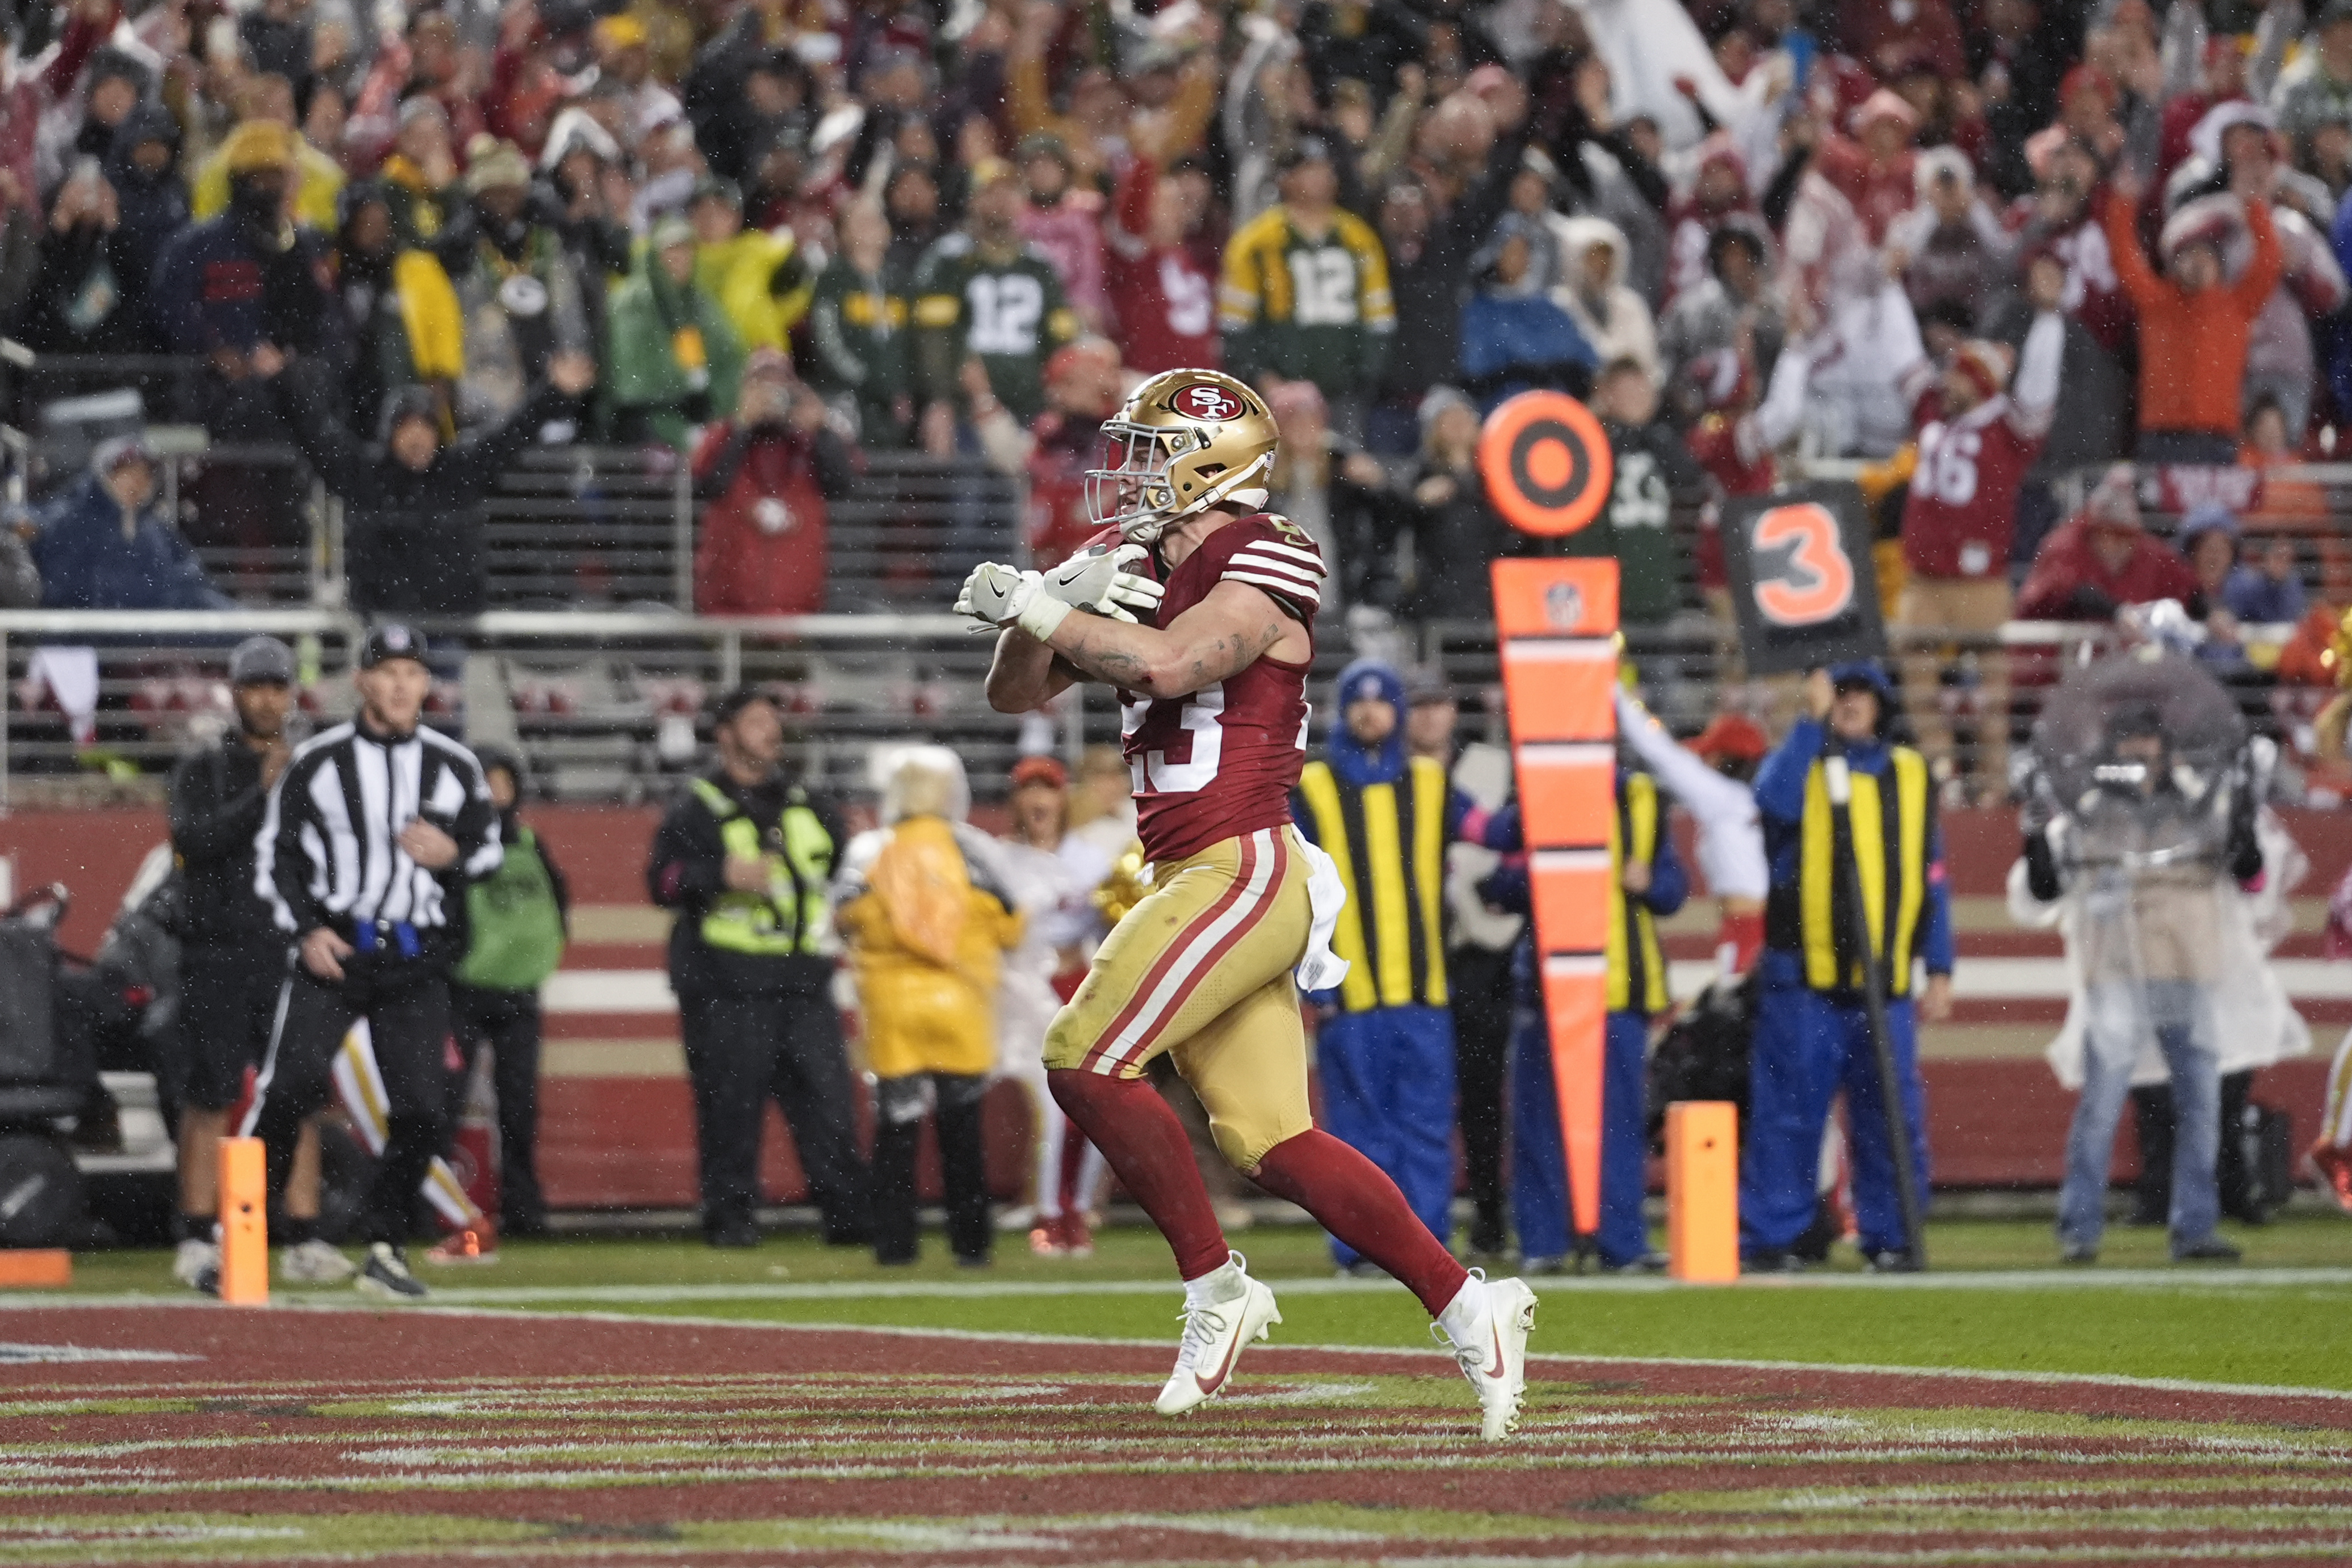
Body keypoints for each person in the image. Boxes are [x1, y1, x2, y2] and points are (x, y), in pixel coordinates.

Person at [965, 367, 1536, 1442]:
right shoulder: (1129, 562)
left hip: (1238, 864)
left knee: (1083, 1055)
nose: (1126, 476)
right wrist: (1043, 606)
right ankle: (1470, 1304)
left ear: (1211, 460)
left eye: (1148, 452)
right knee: (1274, 1140)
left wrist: (1050, 604)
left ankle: (1215, 1289)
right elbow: (1013, 689)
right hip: (1190, 870)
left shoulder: (1263, 548)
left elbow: (1180, 663)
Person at [245, 624, 502, 1302]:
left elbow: (488, 848)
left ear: (426, 683)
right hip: (336, 950)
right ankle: (235, 1243)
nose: (399, 686)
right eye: (386, 672)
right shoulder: (319, 761)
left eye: (412, 673)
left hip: (412, 956)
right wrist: (304, 931)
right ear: (360, 681)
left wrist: (452, 856)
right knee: (290, 1089)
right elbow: (277, 855)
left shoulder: (453, 765)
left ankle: (386, 1243)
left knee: (422, 1109)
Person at [2019, 703, 2261, 1264]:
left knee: (2201, 1105)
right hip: (2119, 969)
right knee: (2101, 1105)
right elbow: (2046, 884)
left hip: (2185, 963)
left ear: (2165, 747)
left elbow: (2247, 869)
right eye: (2124, 740)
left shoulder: (2201, 804)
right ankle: (2079, 1229)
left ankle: (2195, 1227)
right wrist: (2032, 830)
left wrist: (2245, 806)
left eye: (2144, 739)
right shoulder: (2093, 809)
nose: (2134, 750)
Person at [1742, 664, 1954, 1272]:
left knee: (1891, 1117)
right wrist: (1810, 724)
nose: (1850, 701)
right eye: (1838, 691)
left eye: (1860, 691)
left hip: (1883, 985)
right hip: (1803, 978)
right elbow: (1771, 801)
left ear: (1882, 702)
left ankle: (1892, 1235)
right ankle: (1772, 1239)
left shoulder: (1911, 774)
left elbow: (1933, 875)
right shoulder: (1799, 764)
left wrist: (1938, 964)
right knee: (1787, 1115)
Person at [646, 686, 871, 1249]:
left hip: (804, 984)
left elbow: (845, 879)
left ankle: (847, 1217)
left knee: (829, 1108)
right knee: (730, 1112)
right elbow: (661, 882)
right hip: (727, 986)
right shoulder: (695, 807)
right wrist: (718, 875)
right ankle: (730, 1220)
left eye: (774, 720)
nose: (770, 731)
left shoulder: (810, 802)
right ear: (724, 734)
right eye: (755, 721)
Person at [166, 637, 352, 1292]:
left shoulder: (309, 770)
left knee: (298, 1097)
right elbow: (194, 841)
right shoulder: (203, 771)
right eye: (256, 687)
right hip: (216, 953)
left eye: (278, 688)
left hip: (285, 952)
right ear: (236, 693)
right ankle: (194, 1234)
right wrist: (262, 795)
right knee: (210, 1097)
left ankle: (301, 1236)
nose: (268, 699)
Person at [1292, 660, 1467, 1270]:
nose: (1370, 712)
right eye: (1358, 702)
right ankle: (1359, 1246)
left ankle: (1427, 1244)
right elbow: (1293, 889)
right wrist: (1313, 983)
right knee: (1356, 1131)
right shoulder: (1311, 787)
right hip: (1350, 993)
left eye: (1381, 701)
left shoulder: (1431, 781)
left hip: (1422, 995)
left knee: (1422, 1125)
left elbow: (1489, 830)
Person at [1479, 762, 1687, 1272]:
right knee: (1541, 1121)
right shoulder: (1540, 788)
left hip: (1619, 987)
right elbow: (1498, 882)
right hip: (1548, 989)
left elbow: (1673, 887)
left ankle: (1619, 1242)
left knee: (1616, 1122)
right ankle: (1545, 1243)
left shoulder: (1641, 795)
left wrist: (1650, 881)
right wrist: (1543, 875)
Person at [835, 747, 1023, 1266]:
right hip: (961, 1003)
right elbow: (1012, 922)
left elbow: (844, 916)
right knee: (961, 1131)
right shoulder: (974, 851)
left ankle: (894, 1244)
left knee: (897, 1132)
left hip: (892, 1006)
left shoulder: (869, 851)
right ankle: (971, 1243)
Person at [259, 343, 595, 617]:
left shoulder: (461, 469)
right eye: (408, 429)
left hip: (453, 625)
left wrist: (553, 392)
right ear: (391, 435)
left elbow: (511, 431)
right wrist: (283, 382)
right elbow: (316, 433)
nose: (418, 439)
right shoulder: (363, 473)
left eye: (427, 429)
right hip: (383, 622)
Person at [1893, 314, 2063, 802]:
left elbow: (2036, 391)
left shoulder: (2007, 428)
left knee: (1993, 690)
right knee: (1916, 677)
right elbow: (1902, 353)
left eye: (1957, 375)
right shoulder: (1933, 411)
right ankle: (1943, 772)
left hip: (1980, 579)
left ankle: (1991, 783)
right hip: (1923, 577)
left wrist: (2048, 319)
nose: (1945, 382)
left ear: (1979, 382)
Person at [448, 743, 568, 1247]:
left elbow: (557, 906)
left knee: (520, 1108)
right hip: (463, 990)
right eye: (487, 782)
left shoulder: (530, 842)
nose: (497, 793)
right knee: (441, 1103)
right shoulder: (455, 843)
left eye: (504, 782)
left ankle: (524, 1209)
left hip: (518, 991)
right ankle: (435, 1205)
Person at [994, 755, 1110, 1256]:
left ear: (1064, 798)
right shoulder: (1000, 858)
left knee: (1091, 1106)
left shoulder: (1088, 860)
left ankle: (1075, 1209)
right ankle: (1047, 1211)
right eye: (1028, 790)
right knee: (1052, 1108)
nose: (1038, 800)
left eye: (1048, 789)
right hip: (1019, 987)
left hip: (1074, 982)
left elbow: (1112, 928)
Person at [1219, 139, 1396, 442]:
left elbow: (1379, 318)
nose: (1321, 178)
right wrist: (1266, 381)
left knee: (1343, 475)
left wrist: (1362, 377)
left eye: (1325, 170)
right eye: (1309, 170)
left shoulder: (1359, 238)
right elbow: (1235, 326)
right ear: (1285, 179)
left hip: (1343, 394)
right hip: (1278, 393)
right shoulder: (1256, 243)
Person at [2103, 166, 2282, 464]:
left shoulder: (2237, 306)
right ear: (2174, 264)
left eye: (2206, 257)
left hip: (2218, 439)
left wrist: (2254, 206)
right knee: (2162, 514)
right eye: (2189, 256)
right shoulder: (2156, 301)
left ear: (2219, 267)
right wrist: (2123, 201)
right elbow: (2123, 254)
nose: (2198, 264)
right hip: (2161, 438)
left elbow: (2269, 260)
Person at [911, 159, 1080, 431]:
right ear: (972, 200)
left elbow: (1060, 335)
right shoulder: (950, 259)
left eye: (1010, 192)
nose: (1001, 201)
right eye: (991, 192)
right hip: (966, 409)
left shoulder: (1038, 264)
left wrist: (1062, 392)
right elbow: (934, 336)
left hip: (1032, 404)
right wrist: (940, 399)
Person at [690, 352, 859, 615]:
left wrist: (820, 427)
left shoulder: (810, 444)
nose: (771, 398)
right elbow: (707, 484)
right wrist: (743, 425)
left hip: (796, 615)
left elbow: (842, 484)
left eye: (779, 386)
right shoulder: (725, 437)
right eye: (762, 386)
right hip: (729, 616)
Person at [32, 436, 230, 611]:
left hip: (144, 640)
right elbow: (32, 523)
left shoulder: (155, 529)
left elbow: (188, 581)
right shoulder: (70, 519)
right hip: (78, 641)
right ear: (106, 475)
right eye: (129, 473)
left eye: (146, 475)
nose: (139, 483)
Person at [606, 215, 747, 452]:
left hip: (702, 414)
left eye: (686, 251)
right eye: (671, 251)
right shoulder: (633, 302)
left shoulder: (700, 302)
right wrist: (683, 387)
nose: (680, 259)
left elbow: (732, 357)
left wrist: (715, 401)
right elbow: (633, 381)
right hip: (643, 419)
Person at [2017, 465, 2200, 621]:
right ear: (2094, 529)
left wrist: (2211, 613)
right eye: (2108, 534)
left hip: (2117, 657)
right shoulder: (2064, 546)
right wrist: (2117, 613)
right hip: (2052, 657)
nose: (2118, 544)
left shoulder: (2145, 549)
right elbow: (2067, 591)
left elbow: (2184, 585)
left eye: (2125, 536)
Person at [801, 199, 910, 445]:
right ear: (844, 233)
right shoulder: (831, 281)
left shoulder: (900, 282)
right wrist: (873, 382)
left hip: (897, 398)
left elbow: (912, 341)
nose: (870, 227)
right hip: (846, 395)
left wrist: (901, 385)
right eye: (861, 221)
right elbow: (828, 344)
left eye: (876, 220)